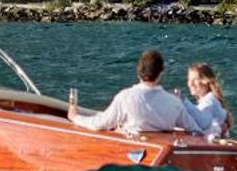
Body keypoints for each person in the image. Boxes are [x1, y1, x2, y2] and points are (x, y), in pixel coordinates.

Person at [69, 49, 209, 135]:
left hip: (135, 149)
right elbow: (195, 130)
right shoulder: (174, 102)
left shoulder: (125, 97)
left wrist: (75, 117)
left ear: (139, 72)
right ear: (161, 74)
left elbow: (100, 123)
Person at [185, 62, 231, 138]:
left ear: (205, 81)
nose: (190, 84)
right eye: (189, 79)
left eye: (195, 80)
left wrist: (181, 101)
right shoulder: (211, 100)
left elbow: (199, 122)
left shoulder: (209, 102)